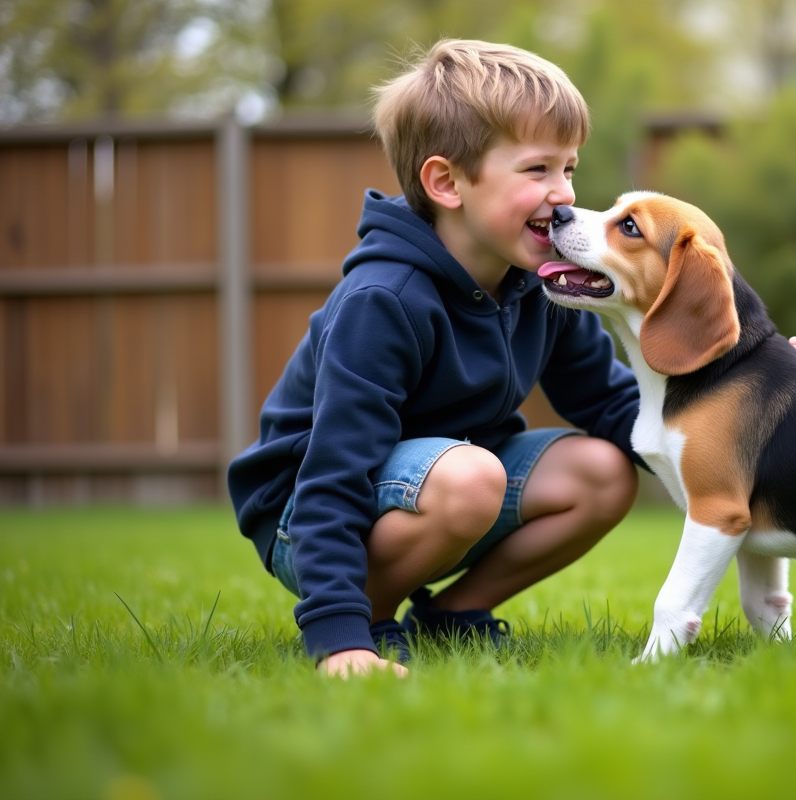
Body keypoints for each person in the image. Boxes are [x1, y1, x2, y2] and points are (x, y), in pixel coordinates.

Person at [228, 39, 643, 678]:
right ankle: (366, 620)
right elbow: (333, 475)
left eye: (570, 168)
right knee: (471, 477)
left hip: (449, 487)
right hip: (307, 516)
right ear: (446, 182)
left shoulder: (537, 283)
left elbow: (614, 403)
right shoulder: (384, 302)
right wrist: (338, 638)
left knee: (604, 470)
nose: (563, 194)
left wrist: (737, 419)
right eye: (537, 170)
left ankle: (451, 615)